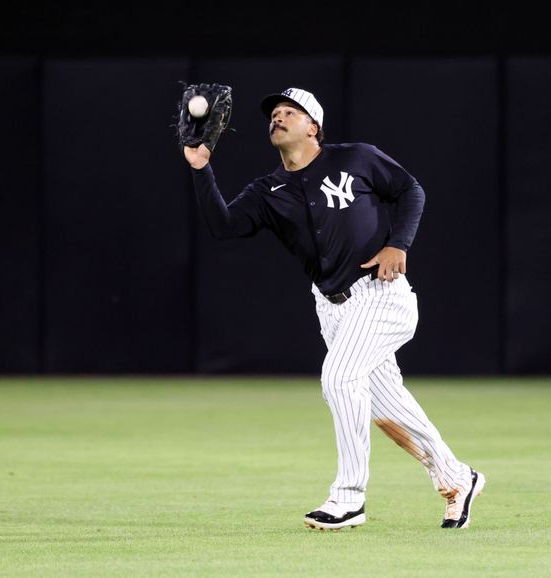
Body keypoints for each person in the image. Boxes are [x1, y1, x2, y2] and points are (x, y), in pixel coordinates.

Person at [183, 87, 485, 530]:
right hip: (331, 307)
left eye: (290, 111)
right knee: (388, 409)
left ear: (314, 127)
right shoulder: (269, 190)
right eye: (274, 113)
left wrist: (398, 244)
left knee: (340, 377)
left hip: (381, 295)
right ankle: (458, 478)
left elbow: (409, 190)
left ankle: (348, 498)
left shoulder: (356, 159)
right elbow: (222, 226)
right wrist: (201, 169)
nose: (279, 117)